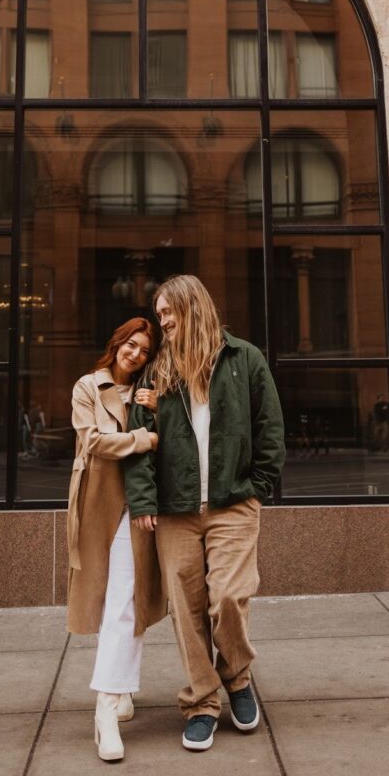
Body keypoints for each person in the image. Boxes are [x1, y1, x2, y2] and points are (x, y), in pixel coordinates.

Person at [124, 275, 285, 752]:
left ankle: (236, 677)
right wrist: (144, 500)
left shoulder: (245, 359)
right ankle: (201, 702)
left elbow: (270, 430)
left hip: (233, 504)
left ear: (193, 306)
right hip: (175, 511)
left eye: (169, 311)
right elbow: (139, 442)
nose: (163, 321)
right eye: (160, 314)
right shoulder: (157, 372)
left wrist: (255, 488)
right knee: (187, 611)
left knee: (229, 598)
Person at [67, 318, 166, 763]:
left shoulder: (152, 390)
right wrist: (144, 436)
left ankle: (107, 706)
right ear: (117, 343)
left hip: (140, 506)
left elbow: (174, 439)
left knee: (129, 599)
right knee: (112, 601)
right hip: (98, 504)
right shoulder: (88, 386)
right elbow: (93, 443)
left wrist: (159, 409)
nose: (136, 353)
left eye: (145, 349)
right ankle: (119, 692)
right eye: (131, 344)